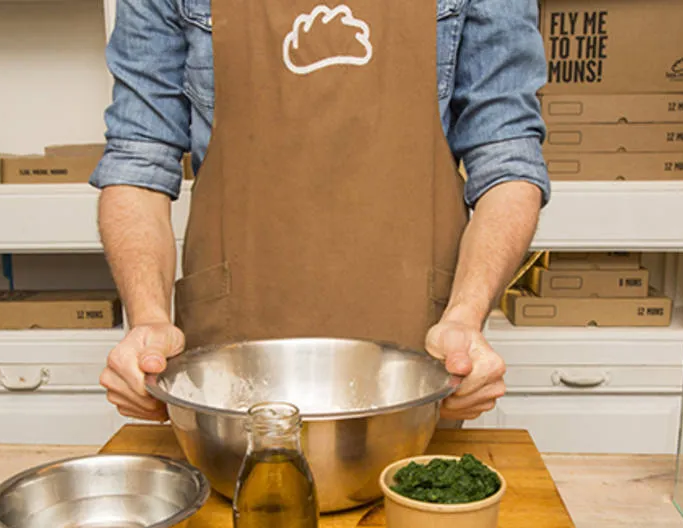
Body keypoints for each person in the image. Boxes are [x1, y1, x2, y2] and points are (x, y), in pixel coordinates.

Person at [91, 0, 550, 424]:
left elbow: (507, 161)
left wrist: (466, 318)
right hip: (229, 370)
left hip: (419, 365)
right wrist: (148, 320)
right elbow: (138, 163)